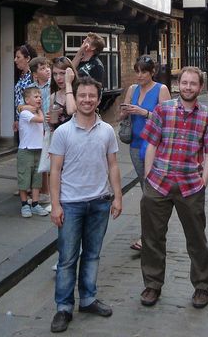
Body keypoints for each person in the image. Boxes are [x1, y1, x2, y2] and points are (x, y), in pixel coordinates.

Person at [139, 66, 208, 309]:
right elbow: (152, 144)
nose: (188, 87)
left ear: (200, 87)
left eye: (193, 83)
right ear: (179, 84)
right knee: (152, 238)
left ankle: (201, 286)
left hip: (190, 185)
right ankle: (152, 285)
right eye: (184, 82)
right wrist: (148, 177)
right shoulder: (163, 110)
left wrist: (203, 182)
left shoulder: (207, 116)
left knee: (197, 239)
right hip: (159, 183)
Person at [49, 77, 122, 333]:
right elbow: (54, 171)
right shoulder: (62, 133)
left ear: (98, 99)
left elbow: (113, 165)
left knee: (92, 255)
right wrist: (55, 205)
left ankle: (88, 299)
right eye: (83, 96)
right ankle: (64, 307)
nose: (87, 100)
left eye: (92, 96)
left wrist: (118, 197)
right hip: (71, 204)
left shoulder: (107, 131)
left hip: (100, 202)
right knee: (68, 259)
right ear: (76, 98)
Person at [119, 55, 170, 250]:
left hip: (153, 146)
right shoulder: (132, 89)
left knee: (150, 192)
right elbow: (121, 114)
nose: (139, 76)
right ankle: (153, 232)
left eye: (144, 72)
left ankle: (148, 236)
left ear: (152, 72)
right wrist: (125, 111)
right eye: (137, 71)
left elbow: (166, 119)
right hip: (135, 145)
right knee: (146, 189)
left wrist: (145, 113)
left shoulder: (161, 89)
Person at [15, 86, 50, 217]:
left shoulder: (34, 111)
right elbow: (41, 120)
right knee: (24, 178)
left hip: (38, 149)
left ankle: (35, 203)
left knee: (37, 179)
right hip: (26, 150)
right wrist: (38, 110)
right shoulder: (25, 114)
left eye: (40, 97)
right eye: (36, 97)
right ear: (27, 100)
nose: (39, 99)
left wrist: (37, 109)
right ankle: (24, 204)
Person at [27, 57, 52, 209]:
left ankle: (49, 194)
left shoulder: (53, 85)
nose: (47, 70)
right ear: (35, 74)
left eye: (48, 66)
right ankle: (43, 193)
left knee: (52, 162)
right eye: (43, 68)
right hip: (37, 129)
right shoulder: (31, 89)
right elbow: (24, 105)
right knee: (40, 163)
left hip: (52, 127)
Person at [48, 57, 77, 132]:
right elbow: (52, 127)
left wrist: (68, 83)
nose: (58, 78)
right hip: (60, 139)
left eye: (62, 73)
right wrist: (49, 121)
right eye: (55, 74)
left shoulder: (79, 93)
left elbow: (71, 111)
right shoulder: (53, 97)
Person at [13, 43, 36, 134]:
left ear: (27, 58)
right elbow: (18, 99)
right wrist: (17, 119)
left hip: (31, 120)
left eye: (18, 57)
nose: (15, 60)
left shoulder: (33, 76)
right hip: (22, 119)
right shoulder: (22, 76)